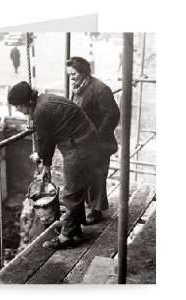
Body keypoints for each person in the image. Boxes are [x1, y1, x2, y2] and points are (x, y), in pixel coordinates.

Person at [7, 81, 100, 250]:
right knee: (77, 188)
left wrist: (44, 162)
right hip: (86, 140)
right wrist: (46, 166)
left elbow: (46, 142)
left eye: (18, 106)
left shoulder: (41, 111)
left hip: (79, 146)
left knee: (71, 192)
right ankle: (74, 226)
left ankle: (67, 237)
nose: (18, 111)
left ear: (28, 102)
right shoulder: (44, 100)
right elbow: (48, 138)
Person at [66, 56, 120, 225]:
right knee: (83, 175)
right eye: (69, 75)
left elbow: (112, 115)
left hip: (98, 142)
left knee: (97, 175)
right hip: (83, 141)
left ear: (83, 72)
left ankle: (96, 211)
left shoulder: (100, 89)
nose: (71, 78)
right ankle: (86, 207)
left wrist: (98, 135)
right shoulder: (77, 88)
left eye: (73, 74)